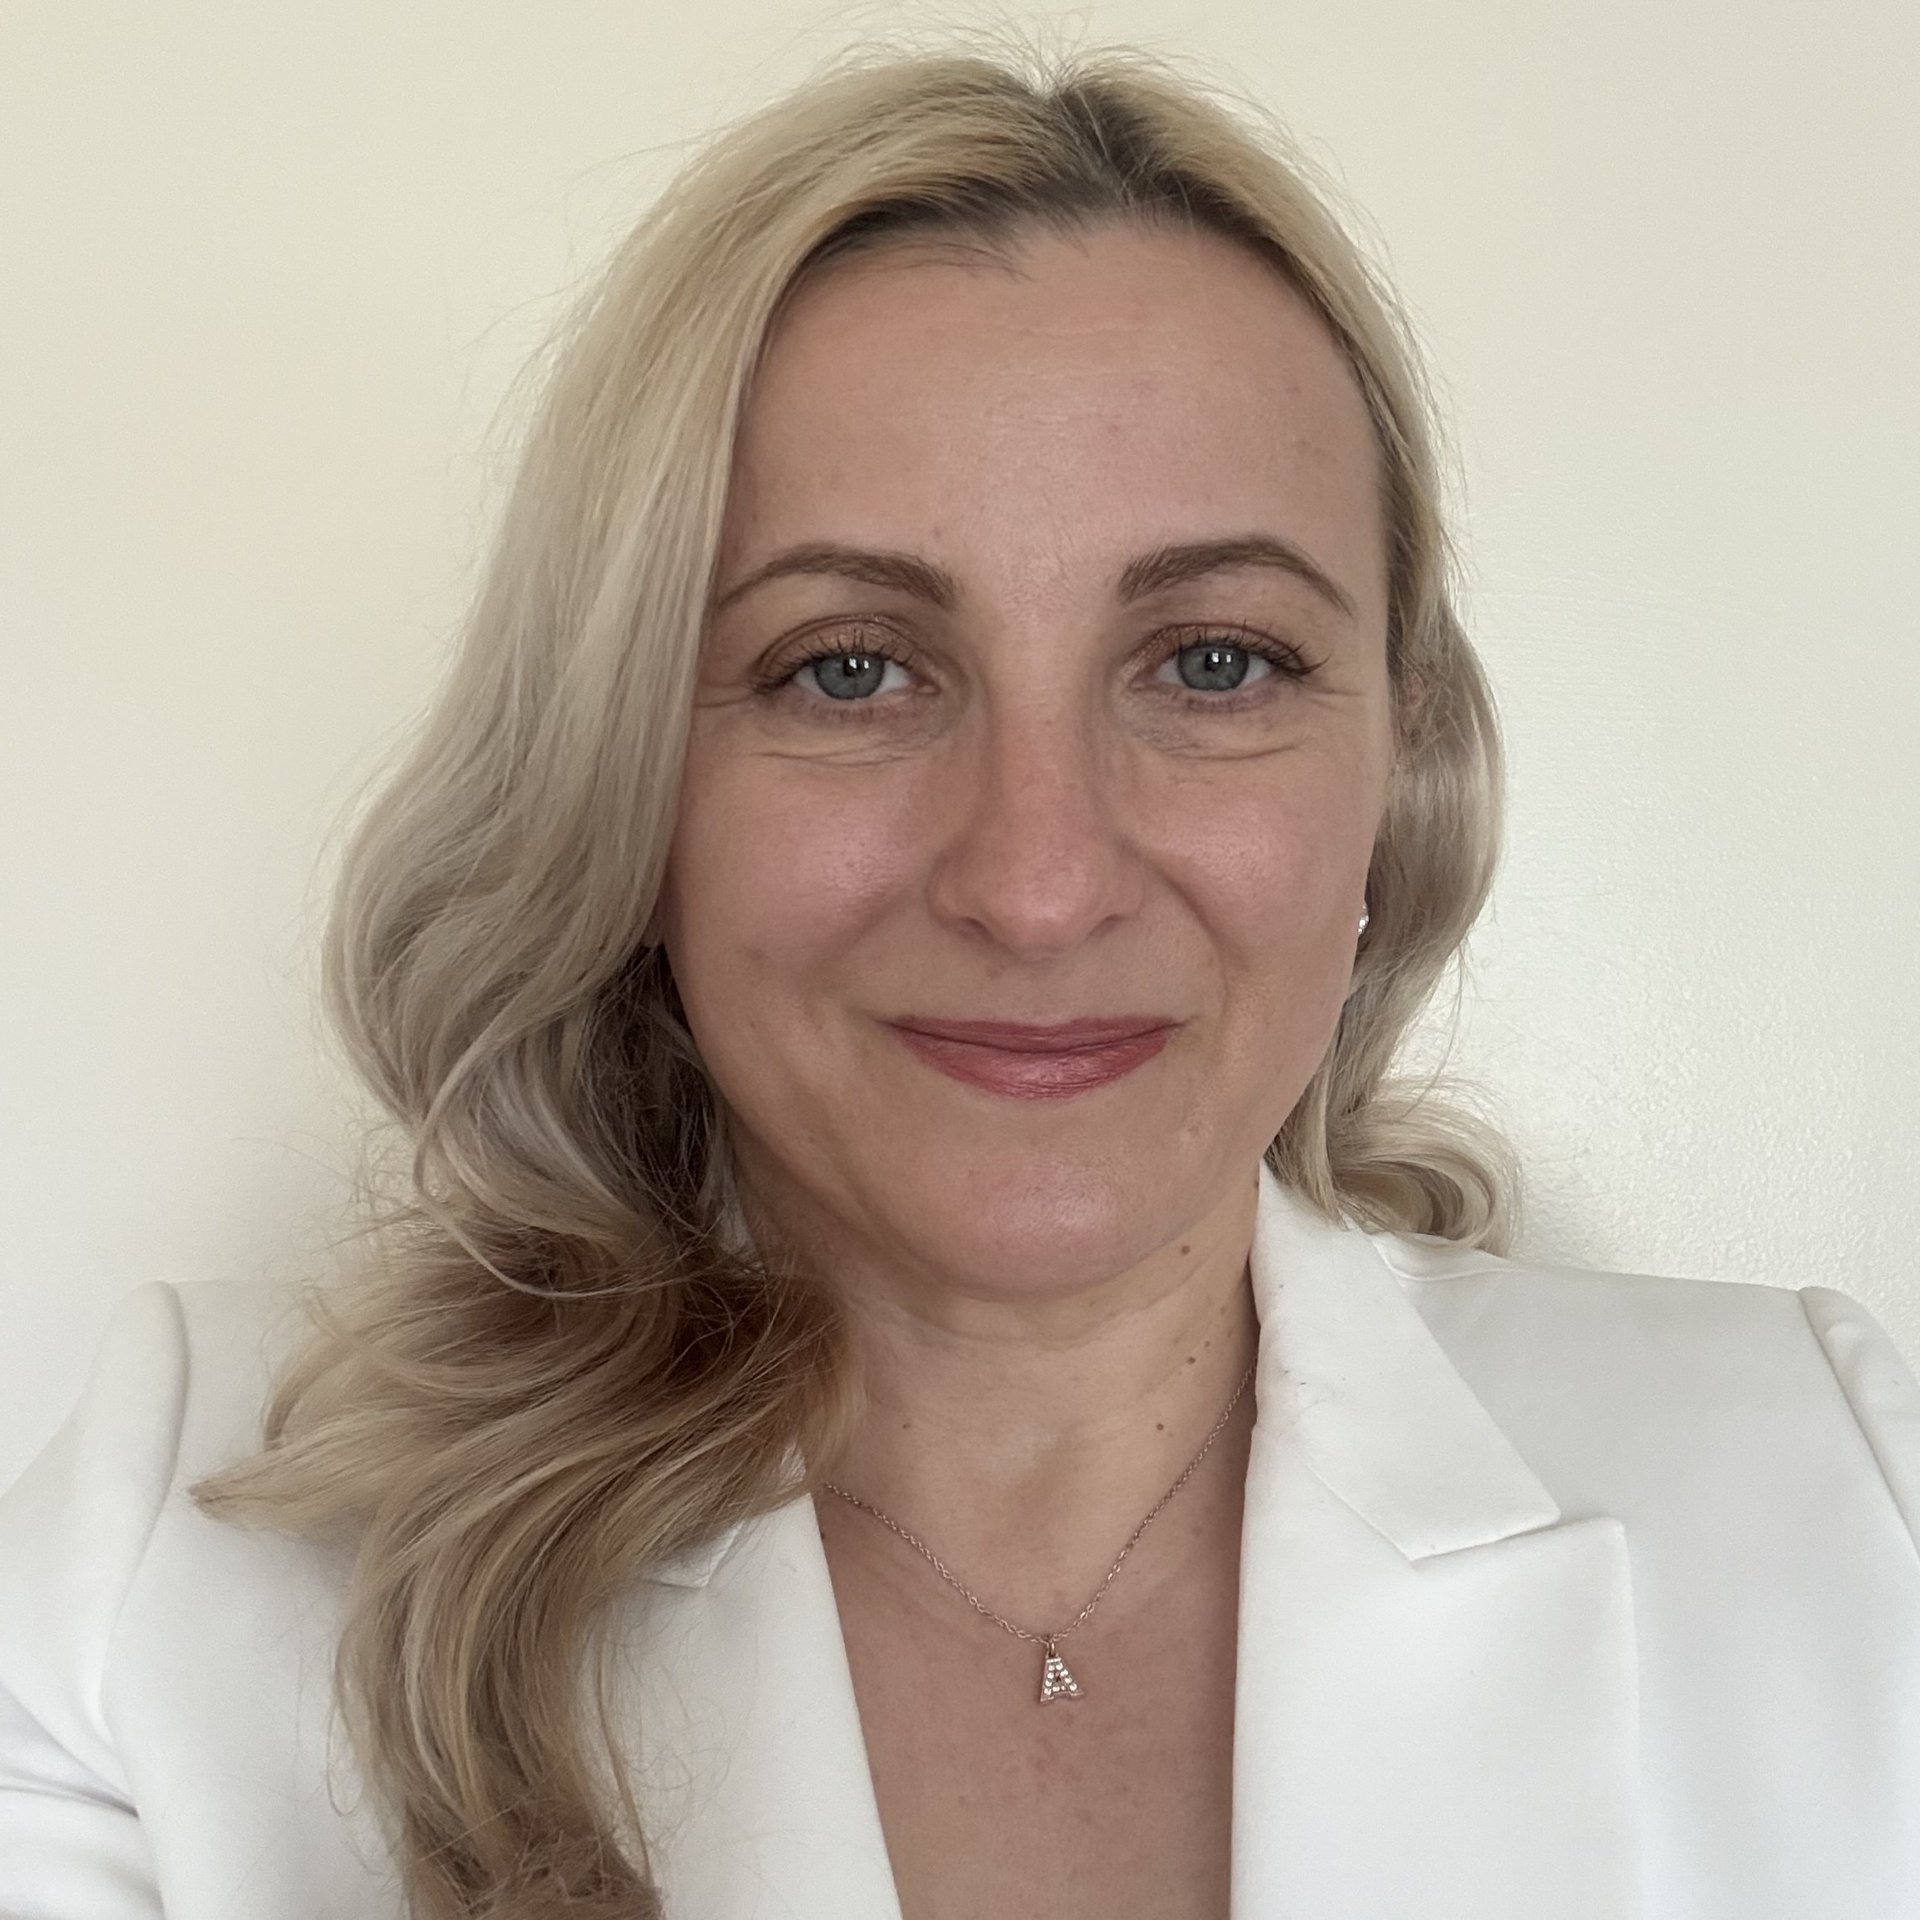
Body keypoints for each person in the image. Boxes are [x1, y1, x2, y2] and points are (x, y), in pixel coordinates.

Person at [3, 37, 1918, 1920]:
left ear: (1394, 767)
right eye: (848, 669)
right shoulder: (164, 1573)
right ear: (625, 785)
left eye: (1216, 663)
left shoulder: (1839, 1494)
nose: (1039, 882)